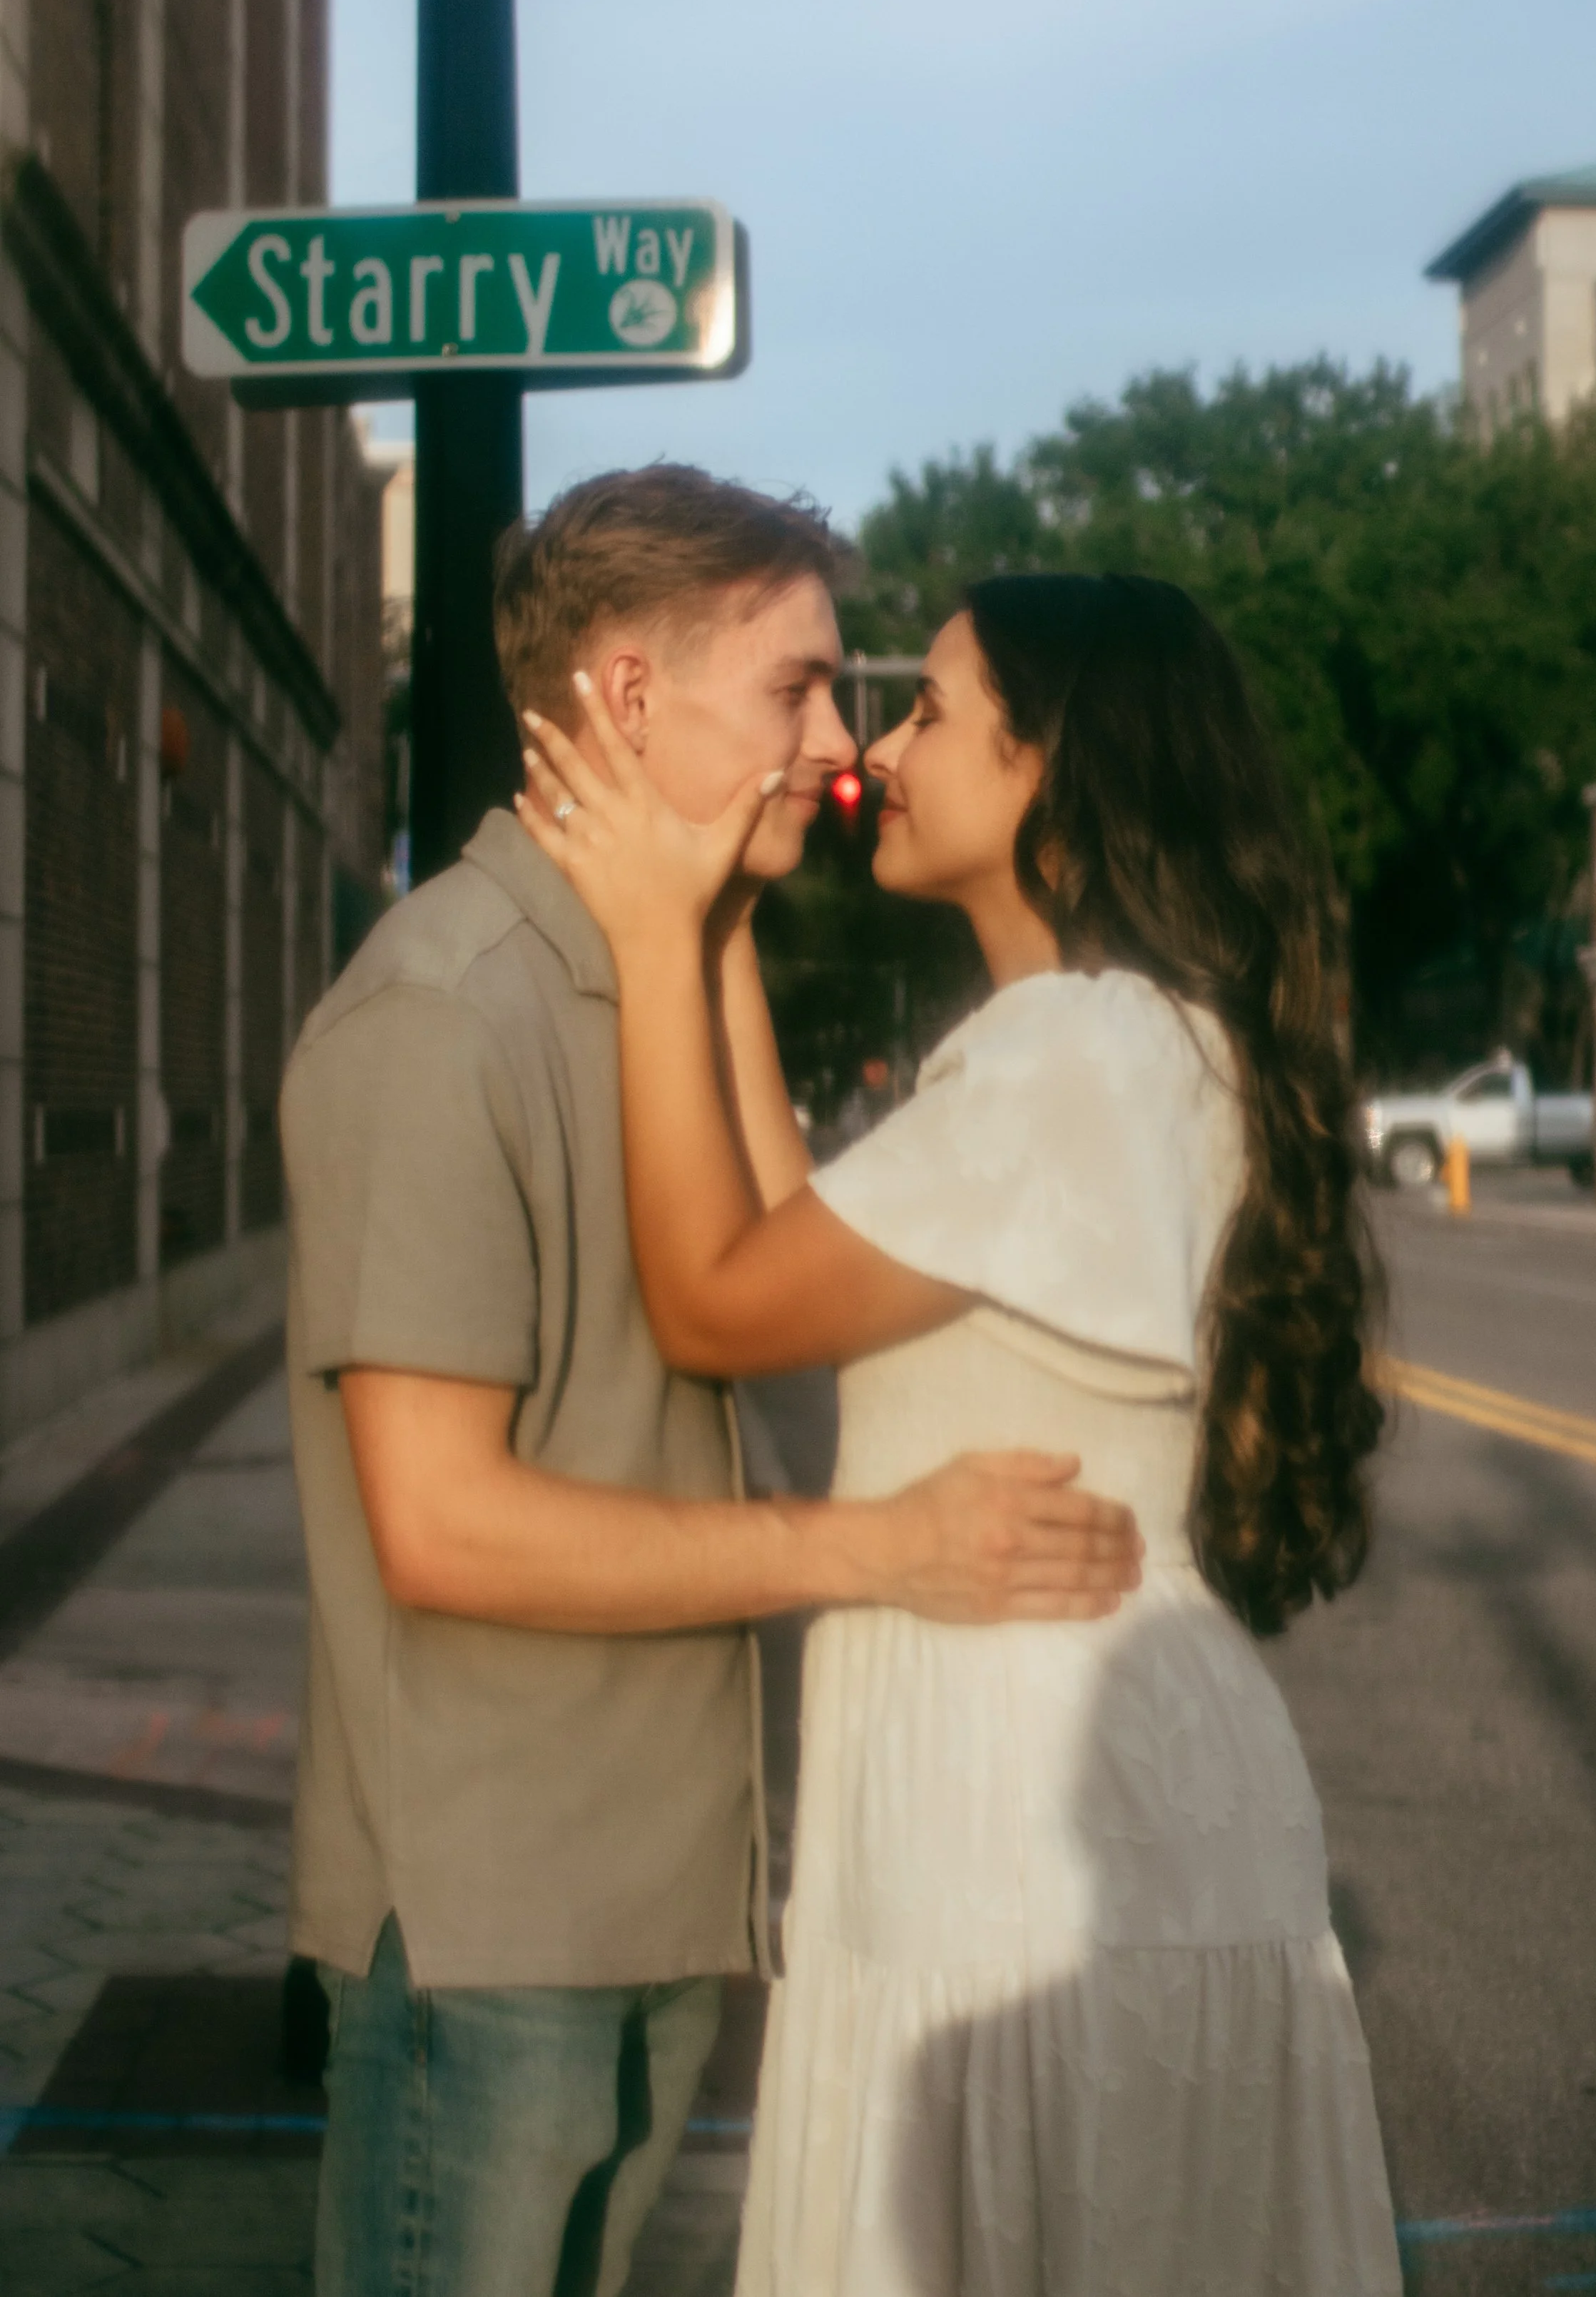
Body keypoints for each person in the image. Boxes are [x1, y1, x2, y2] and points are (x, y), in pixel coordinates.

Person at [278, 470, 1142, 2297]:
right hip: (490, 1931)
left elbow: (769, 1284)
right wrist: (871, 1551)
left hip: (663, 1896)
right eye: (798, 689)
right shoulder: (447, 1010)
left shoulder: (644, 984)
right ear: (625, 698)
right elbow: (435, 1525)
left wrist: (705, 930)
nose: (840, 747)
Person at [517, 568, 1403, 2295]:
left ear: (1052, 774)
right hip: (1101, 1829)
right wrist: (713, 937)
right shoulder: (1106, 1044)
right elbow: (794, 1243)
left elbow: (710, 1299)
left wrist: (637, 939)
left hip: (1024, 1855)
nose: (877, 750)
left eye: (927, 710)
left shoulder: (1071, 1056)